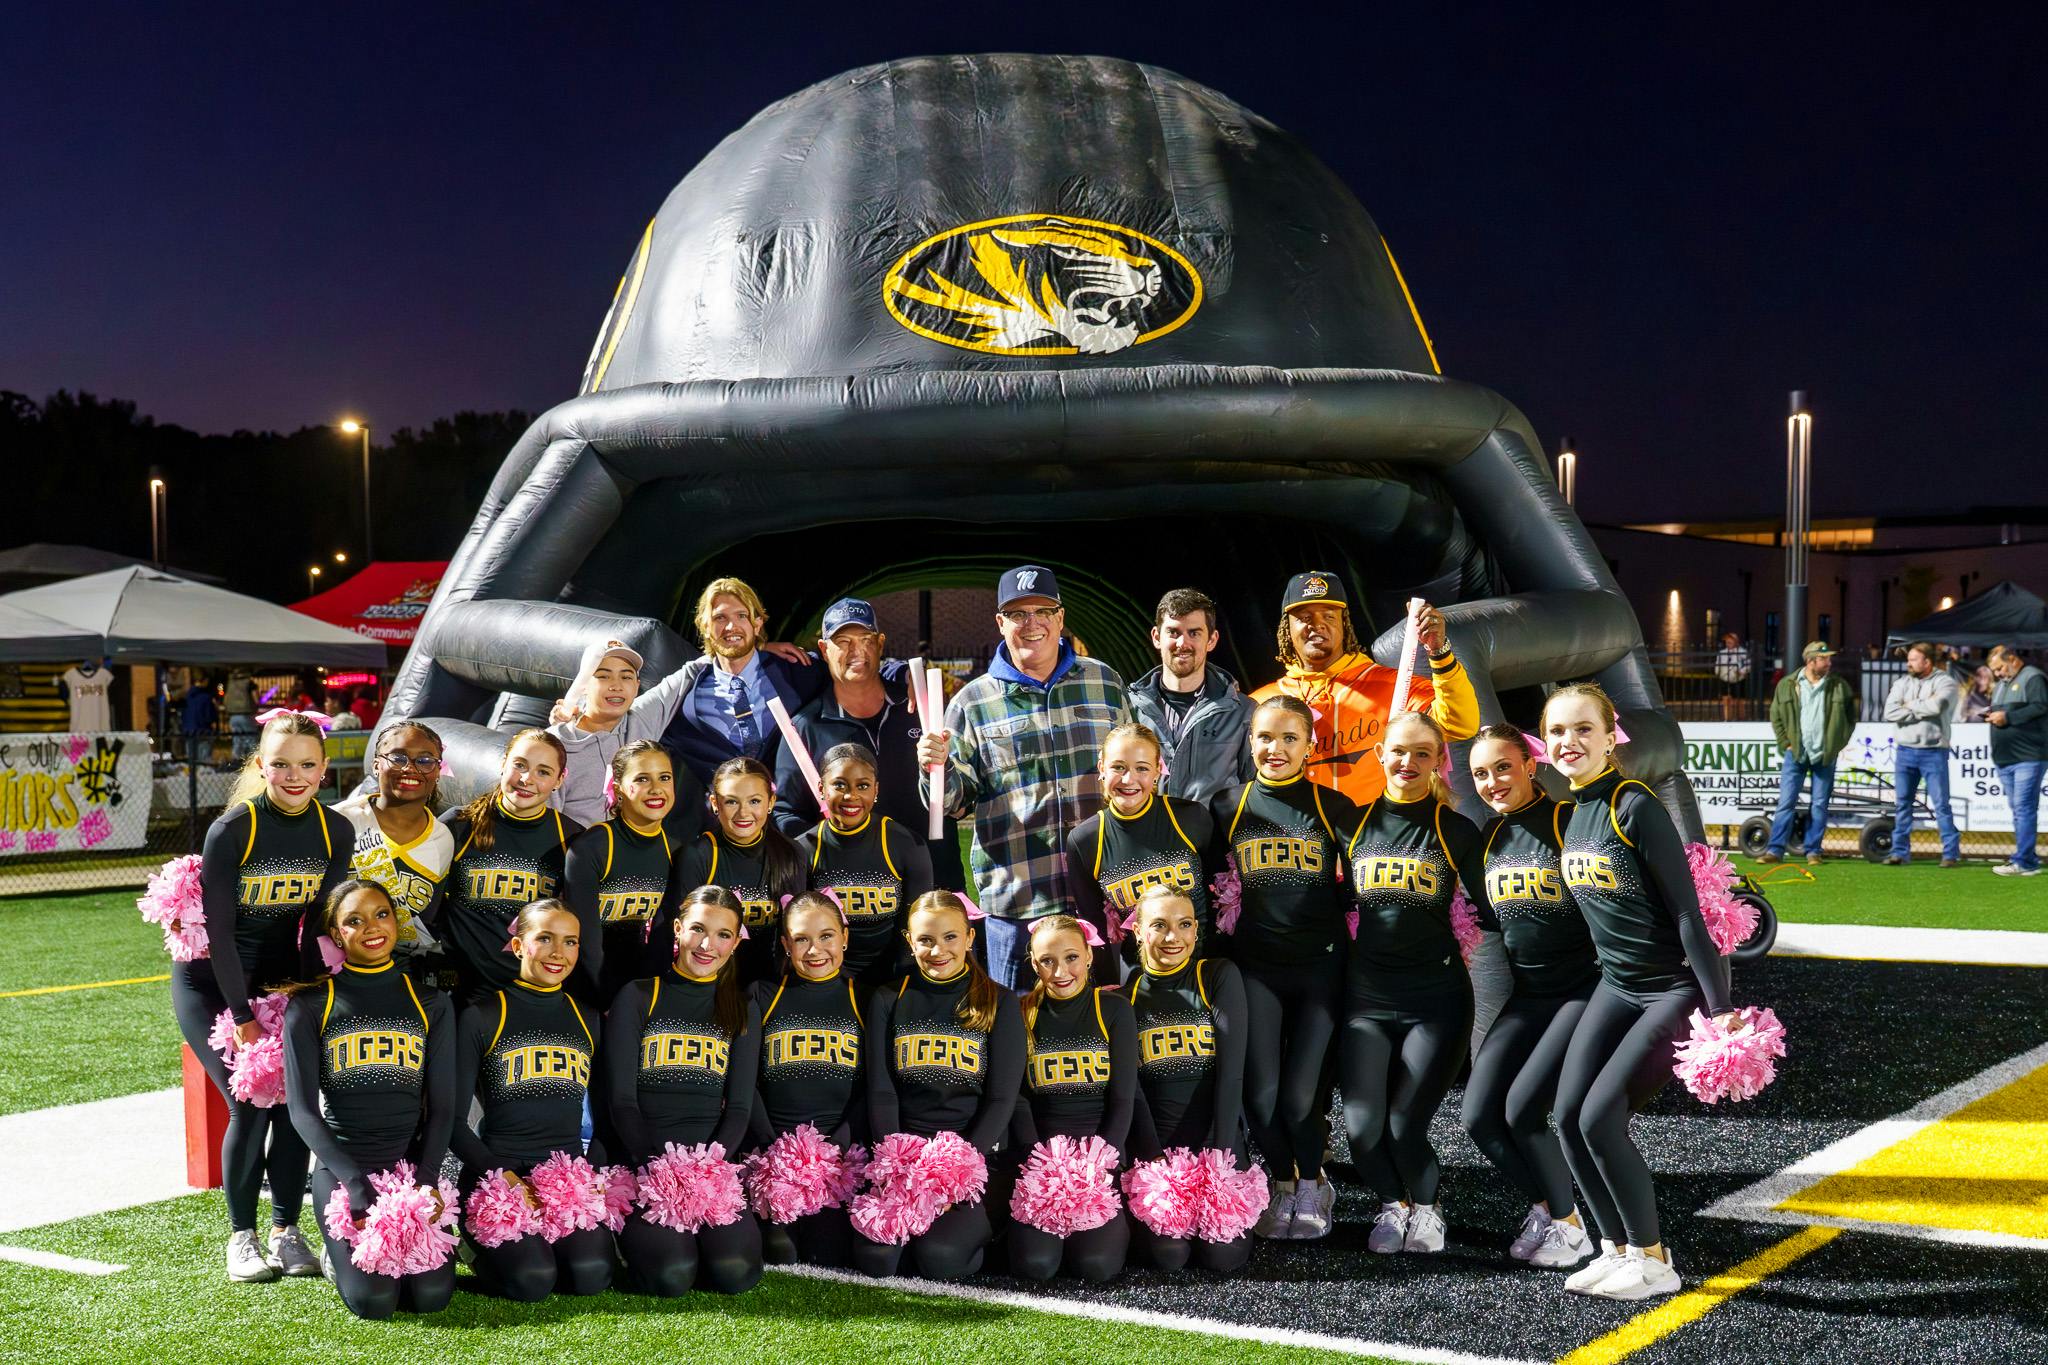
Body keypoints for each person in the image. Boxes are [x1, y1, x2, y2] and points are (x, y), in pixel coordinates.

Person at [1546, 683, 1740, 1302]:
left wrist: (1720, 1008)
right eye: (1557, 731)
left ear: (1611, 737)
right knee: (1566, 1118)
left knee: (1600, 1118)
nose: (1569, 741)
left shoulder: (1634, 805)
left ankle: (1654, 1260)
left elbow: (1687, 913)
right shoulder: (1573, 812)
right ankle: (1616, 1248)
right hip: (1616, 986)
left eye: (1583, 729)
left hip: (1668, 992)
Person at [172, 711, 352, 1282]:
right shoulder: (233, 829)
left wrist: (312, 1001)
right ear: (260, 765)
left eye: (306, 764)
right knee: (250, 1104)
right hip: (212, 984)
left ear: (323, 768)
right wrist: (243, 1015)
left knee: (296, 1104)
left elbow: (316, 927)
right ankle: (242, 1238)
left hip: (281, 980)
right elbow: (221, 933)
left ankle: (286, 1231)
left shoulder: (335, 831)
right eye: (280, 764)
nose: (294, 776)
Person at [915, 566, 1130, 989]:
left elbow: (1136, 775)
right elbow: (953, 804)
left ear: (1060, 618)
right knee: (1016, 1022)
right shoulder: (972, 703)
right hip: (1018, 908)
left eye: (1042, 612)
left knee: (1103, 1019)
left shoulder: (1104, 683)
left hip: (1100, 898)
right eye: (1018, 614)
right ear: (1001, 622)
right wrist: (935, 768)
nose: (1032, 624)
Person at [1207, 695, 1358, 1239]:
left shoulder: (1332, 805)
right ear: (1250, 742)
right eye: (1266, 737)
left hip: (1320, 971)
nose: (1276, 748)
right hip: (1256, 971)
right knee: (1261, 1097)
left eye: (1290, 738)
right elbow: (1209, 882)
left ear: (1310, 746)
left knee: (1300, 1099)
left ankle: (1316, 1183)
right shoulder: (1227, 806)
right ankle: (1285, 1183)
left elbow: (1357, 888)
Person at [282, 880, 457, 1318]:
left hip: (408, 1170)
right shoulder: (312, 1004)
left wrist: (427, 1178)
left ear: (396, 921)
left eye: (381, 914)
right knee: (374, 1302)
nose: (372, 928)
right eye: (354, 921)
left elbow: (443, 1108)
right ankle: (334, 1256)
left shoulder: (430, 1002)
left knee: (431, 1297)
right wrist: (354, 1181)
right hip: (345, 1173)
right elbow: (302, 1111)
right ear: (337, 934)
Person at [1458, 725, 1598, 1269]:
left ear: (1529, 766)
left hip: (1582, 991)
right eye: (1480, 773)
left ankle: (1571, 1228)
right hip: (1529, 995)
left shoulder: (1567, 821)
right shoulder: (1489, 835)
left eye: (1503, 767)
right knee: (1478, 1117)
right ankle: (1548, 1209)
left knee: (1522, 1111)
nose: (1493, 781)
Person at [1340, 712, 1479, 1257]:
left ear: (1439, 761)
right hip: (1366, 999)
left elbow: (1494, 909)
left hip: (1435, 1001)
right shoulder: (1352, 825)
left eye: (1423, 753)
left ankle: (1426, 1206)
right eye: (1399, 750)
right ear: (1380, 755)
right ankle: (1392, 1203)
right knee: (1361, 1129)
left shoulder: (1455, 830)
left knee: (1404, 1124)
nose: (1408, 762)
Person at [855, 891, 1025, 1281]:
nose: (938, 950)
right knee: (877, 1259)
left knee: (939, 1258)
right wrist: (897, 1167)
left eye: (950, 937)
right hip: (906, 1156)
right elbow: (882, 1091)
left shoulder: (998, 1002)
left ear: (969, 937)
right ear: (909, 941)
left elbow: (1001, 1099)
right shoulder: (889, 998)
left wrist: (953, 1173)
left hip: (973, 1157)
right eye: (926, 940)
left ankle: (990, 1227)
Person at [605, 885, 765, 1296]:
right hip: (647, 1166)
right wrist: (656, 1166)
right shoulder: (639, 995)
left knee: (736, 1273)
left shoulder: (742, 1006)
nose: (707, 945)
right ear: (677, 929)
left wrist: (709, 1169)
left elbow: (739, 1107)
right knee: (670, 1276)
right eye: (697, 929)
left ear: (736, 942)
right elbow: (621, 1101)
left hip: (710, 1169)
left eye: (723, 934)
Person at [451, 900, 612, 1301]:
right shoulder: (482, 1015)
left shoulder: (587, 1018)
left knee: (590, 1275)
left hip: (564, 1180)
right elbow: (451, 1122)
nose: (559, 953)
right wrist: (501, 1174)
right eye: (545, 939)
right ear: (519, 945)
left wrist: (591, 1173)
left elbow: (609, 1112)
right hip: (498, 1177)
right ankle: (470, 1246)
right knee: (532, 1280)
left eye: (570, 942)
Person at [772, 599, 961, 886]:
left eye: (866, 640)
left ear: (880, 644)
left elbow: (961, 787)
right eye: (843, 642)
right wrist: (827, 850)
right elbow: (787, 812)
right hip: (856, 891)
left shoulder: (921, 709)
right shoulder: (806, 727)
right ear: (823, 649)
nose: (856, 651)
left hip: (934, 880)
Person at [1251, 571, 1480, 805]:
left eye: (1328, 616)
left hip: (1375, 826)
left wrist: (1439, 652)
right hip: (1300, 828)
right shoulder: (1262, 702)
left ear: (1344, 624)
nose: (1317, 625)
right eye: (1305, 617)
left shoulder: (1392, 685)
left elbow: (1460, 724)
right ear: (1286, 627)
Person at [1124, 886, 1253, 1272]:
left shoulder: (1216, 975)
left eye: (1184, 925)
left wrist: (1221, 1160)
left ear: (1196, 930)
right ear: (1138, 932)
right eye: (1159, 925)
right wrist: (1154, 1162)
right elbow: (1132, 1091)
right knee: (1169, 1256)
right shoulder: (1126, 996)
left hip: (1216, 1143)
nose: (1172, 937)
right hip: (1160, 1154)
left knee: (1222, 1257)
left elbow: (1232, 1074)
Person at [1007, 914, 1137, 1283]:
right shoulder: (1021, 1013)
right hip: (1041, 1165)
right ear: (1034, 964)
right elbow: (1018, 1100)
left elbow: (1124, 1098)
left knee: (1096, 1265)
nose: (1061, 971)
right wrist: (1040, 1164)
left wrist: (1099, 1164)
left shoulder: (1113, 1009)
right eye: (1047, 961)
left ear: (1089, 956)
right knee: (1036, 1265)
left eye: (1071, 958)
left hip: (1100, 1161)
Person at [747, 892, 869, 1266]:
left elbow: (874, 1088)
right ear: (786, 944)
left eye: (826, 936)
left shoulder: (865, 998)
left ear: (845, 937)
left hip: (839, 1161)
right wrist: (774, 1151)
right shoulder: (762, 995)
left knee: (827, 1251)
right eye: (802, 939)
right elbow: (745, 1085)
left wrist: (835, 1152)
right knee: (780, 1250)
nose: (815, 950)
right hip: (773, 1157)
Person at [433, 730, 582, 1002]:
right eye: (520, 765)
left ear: (559, 780)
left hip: (531, 994)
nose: (527, 779)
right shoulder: (458, 825)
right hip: (462, 994)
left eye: (543, 772)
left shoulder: (571, 839)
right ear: (503, 764)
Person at [1065, 722, 1219, 981]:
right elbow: (1095, 930)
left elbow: (1220, 900)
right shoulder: (1085, 840)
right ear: (1102, 768)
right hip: (1141, 977)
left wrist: (1219, 969)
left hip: (1205, 967)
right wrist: (1108, 987)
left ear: (1158, 770)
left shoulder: (1190, 818)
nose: (1128, 780)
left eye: (1142, 768)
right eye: (1118, 767)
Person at [795, 744, 934, 993]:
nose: (851, 796)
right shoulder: (803, 849)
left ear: (876, 790)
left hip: (893, 974)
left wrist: (898, 989)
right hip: (826, 974)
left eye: (863, 786)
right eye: (839, 785)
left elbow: (917, 924)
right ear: (821, 788)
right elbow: (799, 931)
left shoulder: (906, 844)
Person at [659, 578, 825, 786]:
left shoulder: (800, 671)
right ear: (705, 627)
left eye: (741, 616)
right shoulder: (686, 704)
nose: (731, 626)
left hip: (795, 803)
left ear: (757, 624)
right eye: (720, 617)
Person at [563, 740, 688, 1008]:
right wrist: (608, 1004)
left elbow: (663, 941)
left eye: (664, 777)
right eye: (642, 779)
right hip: (587, 995)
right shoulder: (591, 848)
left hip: (642, 995)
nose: (656, 788)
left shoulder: (676, 851)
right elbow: (585, 942)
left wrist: (645, 1001)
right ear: (618, 789)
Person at [548, 639, 710, 834]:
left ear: (637, 685)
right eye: (603, 676)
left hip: (633, 846)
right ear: (584, 686)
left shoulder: (640, 719)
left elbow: (691, 671)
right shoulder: (555, 748)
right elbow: (540, 825)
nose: (616, 685)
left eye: (626, 677)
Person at [669, 757, 807, 982]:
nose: (743, 813)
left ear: (771, 802)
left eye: (754, 801)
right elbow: (675, 937)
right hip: (711, 982)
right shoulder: (697, 856)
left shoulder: (791, 853)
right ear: (715, 803)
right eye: (732, 801)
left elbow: (799, 933)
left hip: (771, 984)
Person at [332, 721, 453, 959]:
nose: (410, 768)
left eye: (425, 760)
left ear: (438, 771)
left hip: (402, 970)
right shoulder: (338, 821)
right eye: (398, 758)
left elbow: (426, 921)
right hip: (336, 967)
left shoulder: (443, 840)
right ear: (376, 765)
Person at [1125, 588, 1254, 802]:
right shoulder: (1130, 708)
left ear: (1212, 640)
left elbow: (1255, 792)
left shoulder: (1242, 712)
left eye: (1194, 633)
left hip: (1213, 825)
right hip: (1150, 825)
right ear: (1156, 637)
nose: (1182, 643)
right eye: (1173, 632)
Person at [1760, 641, 1857, 865]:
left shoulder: (1839, 686)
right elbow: (1776, 715)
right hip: (1796, 754)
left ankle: (1813, 851)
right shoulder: (1787, 684)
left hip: (1825, 755)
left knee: (1819, 804)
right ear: (1811, 661)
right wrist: (1785, 743)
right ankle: (1775, 850)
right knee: (1786, 802)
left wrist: (1836, 745)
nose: (1829, 662)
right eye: (1824, 659)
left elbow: (1850, 719)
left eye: (1829, 658)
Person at [1883, 641, 1961, 868]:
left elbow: (1937, 707)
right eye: (1909, 659)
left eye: (1913, 660)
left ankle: (1950, 854)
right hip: (1905, 750)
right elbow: (1889, 712)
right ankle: (1899, 852)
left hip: (1933, 751)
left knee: (1941, 804)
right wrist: (1920, 707)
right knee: (1902, 804)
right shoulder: (1902, 683)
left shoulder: (1945, 682)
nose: (1908, 663)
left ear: (1927, 662)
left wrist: (1908, 706)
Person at [1987, 645, 2047, 877]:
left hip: (2029, 755)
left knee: (2023, 808)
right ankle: (2028, 860)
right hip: (2005, 757)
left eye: (2000, 668)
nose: (1997, 674)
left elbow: (2041, 706)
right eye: (1994, 670)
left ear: (2012, 659)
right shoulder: (2001, 685)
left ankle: (2023, 861)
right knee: (2019, 809)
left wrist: (2008, 717)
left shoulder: (2033, 678)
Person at [1713, 632, 1751, 721]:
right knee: (1726, 700)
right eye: (1727, 641)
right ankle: (1727, 719)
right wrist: (1718, 672)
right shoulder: (1722, 652)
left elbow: (1748, 666)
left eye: (1730, 641)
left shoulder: (1742, 652)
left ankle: (1741, 719)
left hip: (1738, 679)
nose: (1728, 643)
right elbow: (1718, 664)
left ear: (1736, 642)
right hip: (1725, 678)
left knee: (1739, 701)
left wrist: (1741, 672)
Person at [224, 668, 259, 758]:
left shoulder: (231, 683)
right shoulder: (249, 683)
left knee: (237, 739)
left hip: (233, 715)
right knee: (251, 738)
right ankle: (252, 759)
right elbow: (256, 698)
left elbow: (226, 698)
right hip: (246, 714)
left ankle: (236, 759)